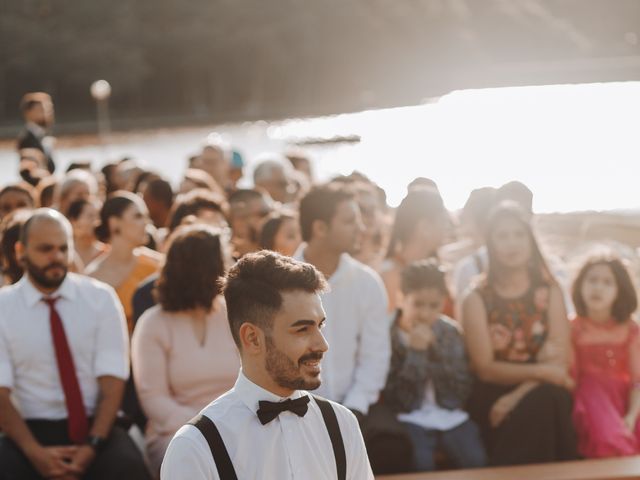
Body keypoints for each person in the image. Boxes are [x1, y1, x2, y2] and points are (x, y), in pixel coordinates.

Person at [160, 251, 373, 479]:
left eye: (320, 325)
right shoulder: (196, 448)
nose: (322, 344)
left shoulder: (342, 426)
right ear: (252, 338)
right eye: (302, 329)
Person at [0, 209, 150, 479]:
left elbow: (113, 382)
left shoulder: (100, 299)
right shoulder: (3, 308)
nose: (56, 257)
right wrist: (35, 453)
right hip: (27, 432)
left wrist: (91, 447)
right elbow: (1, 394)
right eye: (46, 249)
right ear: (21, 251)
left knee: (128, 467)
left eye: (63, 248)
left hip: (96, 429)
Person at [462, 202, 578, 466]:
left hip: (539, 391)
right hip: (492, 397)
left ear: (530, 239)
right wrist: (541, 372)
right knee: (549, 402)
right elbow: (486, 369)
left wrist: (517, 395)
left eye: (518, 234)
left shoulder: (550, 292)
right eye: (502, 236)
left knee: (549, 400)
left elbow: (559, 363)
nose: (511, 243)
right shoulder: (476, 298)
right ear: (490, 243)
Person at [132, 225, 239, 475]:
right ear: (205, 269)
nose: (231, 265)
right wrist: (208, 429)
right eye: (225, 258)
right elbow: (154, 399)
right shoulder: (153, 323)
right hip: (177, 433)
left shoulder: (232, 313)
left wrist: (235, 427)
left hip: (237, 427)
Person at [294, 184, 390, 419]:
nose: (362, 228)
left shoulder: (367, 282)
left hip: (357, 411)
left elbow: (375, 356)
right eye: (350, 221)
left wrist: (353, 409)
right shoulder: (281, 284)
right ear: (320, 228)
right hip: (296, 412)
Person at [382, 260, 486, 472]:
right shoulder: (387, 335)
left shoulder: (449, 333)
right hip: (407, 418)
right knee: (420, 462)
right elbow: (402, 402)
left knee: (476, 460)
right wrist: (416, 354)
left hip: (450, 416)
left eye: (433, 306)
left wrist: (434, 352)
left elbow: (458, 393)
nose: (425, 313)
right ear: (402, 298)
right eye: (418, 304)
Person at [570, 253, 640, 458]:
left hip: (629, 401)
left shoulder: (631, 329)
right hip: (590, 400)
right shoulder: (572, 328)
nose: (598, 288)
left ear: (619, 291)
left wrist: (631, 415)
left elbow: (637, 381)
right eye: (592, 280)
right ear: (580, 285)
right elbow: (570, 375)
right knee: (609, 440)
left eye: (608, 282)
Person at [86, 192, 162, 332]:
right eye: (138, 216)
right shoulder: (92, 277)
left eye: (146, 217)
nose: (147, 223)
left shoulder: (157, 265)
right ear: (114, 222)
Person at [381, 187, 448, 313]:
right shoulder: (389, 275)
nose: (446, 228)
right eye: (443, 222)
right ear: (425, 227)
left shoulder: (440, 270)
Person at [16, 92, 56, 173]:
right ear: (28, 113)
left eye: (48, 110)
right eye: (41, 110)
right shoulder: (26, 138)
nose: (46, 114)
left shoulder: (41, 135)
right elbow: (29, 172)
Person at [67, 198, 108, 269]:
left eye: (99, 217)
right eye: (90, 216)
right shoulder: (65, 254)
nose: (97, 222)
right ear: (74, 220)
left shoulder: (107, 254)